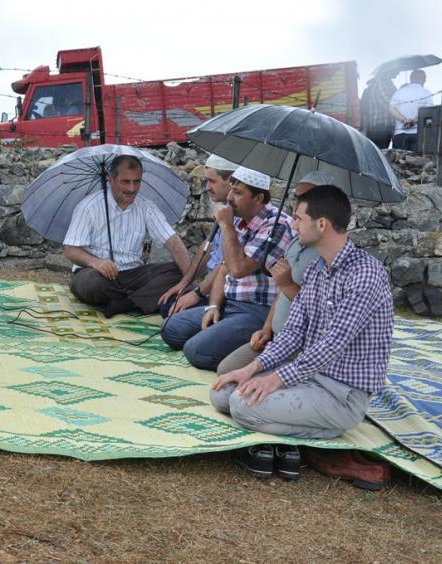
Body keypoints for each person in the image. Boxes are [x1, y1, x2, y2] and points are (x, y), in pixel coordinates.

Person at [210, 185, 393, 480]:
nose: (293, 224)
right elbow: (294, 333)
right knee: (223, 394)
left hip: (341, 394)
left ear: (321, 225)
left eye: (298, 218)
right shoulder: (316, 270)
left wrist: (276, 379)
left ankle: (326, 437)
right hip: (310, 379)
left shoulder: (366, 274)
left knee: (242, 406)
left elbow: (333, 344)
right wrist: (252, 370)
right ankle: (294, 422)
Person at [161, 166, 293, 370]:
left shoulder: (276, 225)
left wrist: (226, 225)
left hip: (257, 310)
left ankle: (248, 350)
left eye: (238, 193)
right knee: (170, 328)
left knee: (195, 351)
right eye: (231, 189)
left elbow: (238, 268)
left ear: (258, 199)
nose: (230, 197)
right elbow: (224, 268)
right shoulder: (241, 217)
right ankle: (223, 335)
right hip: (230, 303)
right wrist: (213, 306)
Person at [216, 171, 336, 375]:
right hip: (277, 338)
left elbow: (325, 313)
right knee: (224, 372)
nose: (298, 203)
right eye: (297, 196)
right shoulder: (298, 241)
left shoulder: (331, 254)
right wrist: (266, 329)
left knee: (234, 396)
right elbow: (279, 293)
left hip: (304, 346)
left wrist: (288, 284)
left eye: (306, 197)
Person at [63, 154, 191, 318]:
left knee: (179, 272)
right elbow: (70, 250)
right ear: (111, 180)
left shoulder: (146, 207)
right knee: (89, 284)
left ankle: (126, 303)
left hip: (133, 273)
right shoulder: (88, 207)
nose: (132, 188)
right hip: (97, 274)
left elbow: (173, 242)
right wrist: (96, 262)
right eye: (126, 182)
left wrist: (189, 282)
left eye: (136, 182)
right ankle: (141, 299)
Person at [157, 154, 239, 316]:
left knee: (173, 318)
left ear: (231, 180)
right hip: (208, 288)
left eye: (212, 181)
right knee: (168, 305)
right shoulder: (224, 208)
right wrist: (184, 283)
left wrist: (197, 294)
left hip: (225, 293)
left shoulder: (241, 215)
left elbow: (226, 266)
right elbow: (207, 249)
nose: (207, 187)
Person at [389, 69, 432, 151]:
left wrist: (404, 121)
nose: (425, 81)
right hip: (418, 133)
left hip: (400, 133)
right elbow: (428, 111)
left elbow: (391, 109)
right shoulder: (426, 92)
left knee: (398, 162)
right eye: (424, 78)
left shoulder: (399, 92)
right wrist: (414, 121)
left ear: (411, 79)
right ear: (421, 79)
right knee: (417, 162)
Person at [360, 73, 397, 149]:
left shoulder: (371, 89)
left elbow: (364, 110)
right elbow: (387, 103)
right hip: (381, 124)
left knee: (380, 150)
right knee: (381, 150)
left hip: (379, 125)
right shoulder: (381, 85)